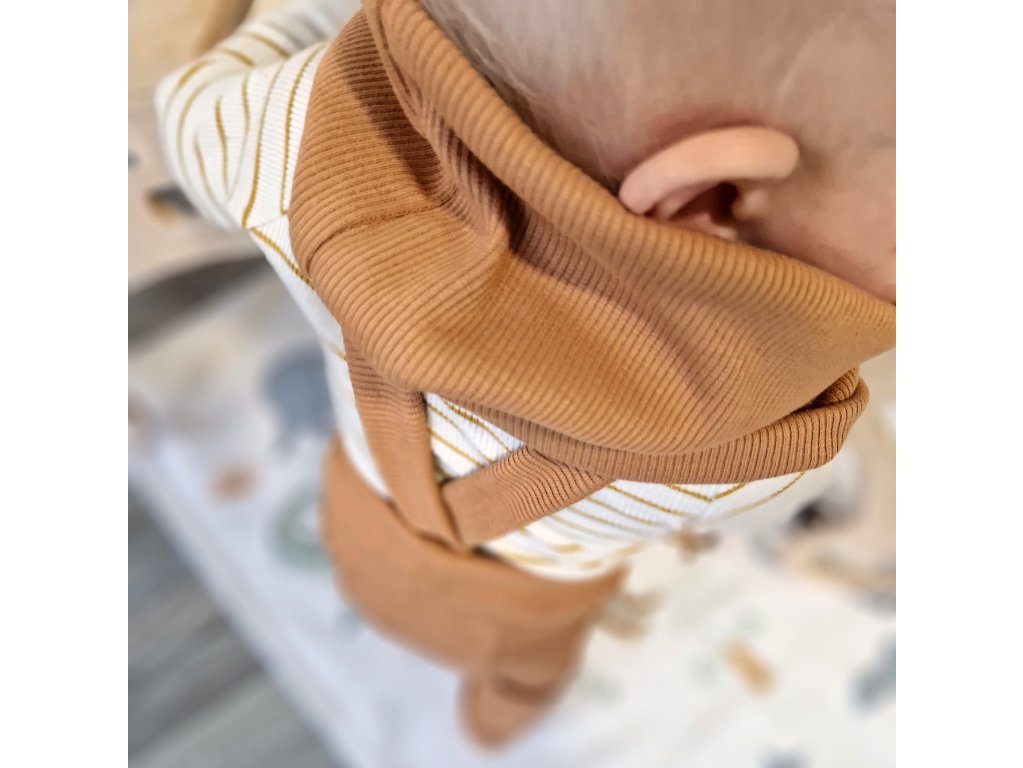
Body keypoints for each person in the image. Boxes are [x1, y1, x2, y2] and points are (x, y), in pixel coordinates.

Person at [157, 0, 895, 745]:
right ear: (716, 198)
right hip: (530, 607)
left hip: (355, 508)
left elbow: (188, 114)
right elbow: (739, 519)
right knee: (526, 669)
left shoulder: (291, 142)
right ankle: (500, 714)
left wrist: (329, 29)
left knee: (370, 574)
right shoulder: (767, 441)